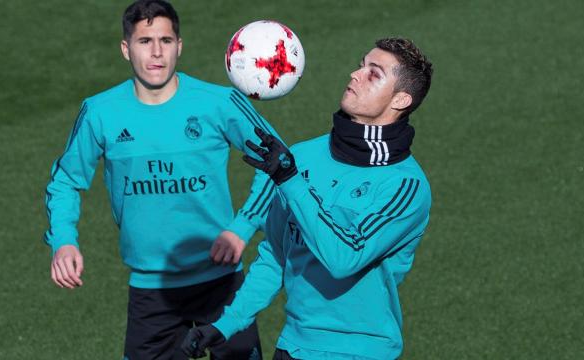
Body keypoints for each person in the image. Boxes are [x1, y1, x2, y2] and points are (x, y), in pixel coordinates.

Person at [44, 1, 279, 358]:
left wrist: (241, 228)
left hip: (222, 284)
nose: (156, 52)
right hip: (151, 292)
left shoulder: (220, 103)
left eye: (166, 41)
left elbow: (280, 164)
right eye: (144, 41)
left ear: (179, 46)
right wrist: (64, 240)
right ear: (126, 49)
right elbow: (65, 180)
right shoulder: (100, 112)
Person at [181, 38, 433, 359]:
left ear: (401, 99)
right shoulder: (302, 157)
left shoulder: (404, 185)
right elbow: (275, 254)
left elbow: (344, 257)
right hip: (292, 347)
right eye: (361, 64)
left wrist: (290, 180)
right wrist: (225, 325)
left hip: (359, 353)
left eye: (374, 73)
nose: (355, 75)